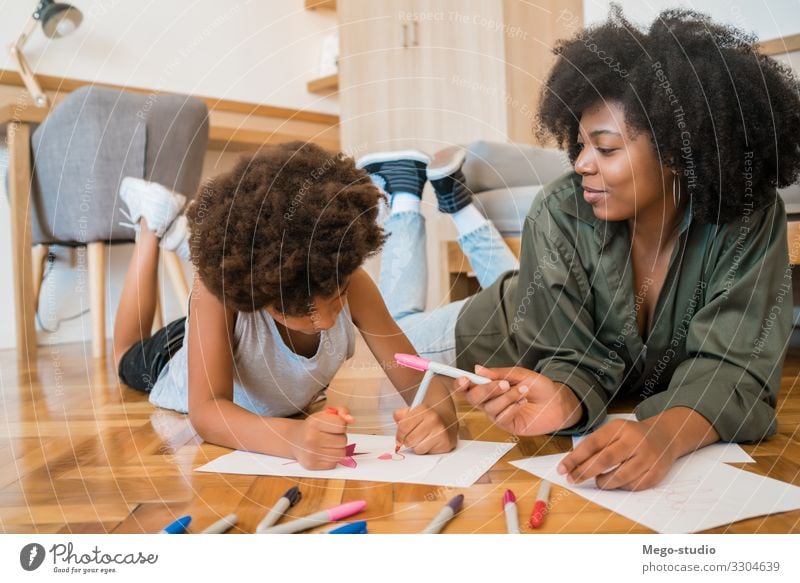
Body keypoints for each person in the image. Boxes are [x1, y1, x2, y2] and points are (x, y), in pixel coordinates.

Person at [363, 7, 800, 491]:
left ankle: (462, 210)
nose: (582, 164)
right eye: (581, 144)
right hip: (502, 326)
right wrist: (562, 396)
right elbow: (567, 355)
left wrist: (662, 434)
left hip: (546, 285)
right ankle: (405, 197)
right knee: (387, 334)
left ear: (679, 151)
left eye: (607, 149)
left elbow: (735, 366)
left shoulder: (748, 218)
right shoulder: (560, 207)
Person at [112, 142, 457, 470]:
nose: (324, 321)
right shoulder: (218, 294)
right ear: (257, 295)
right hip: (172, 359)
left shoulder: (354, 283)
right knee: (124, 355)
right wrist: (293, 439)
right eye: (300, 311)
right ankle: (149, 227)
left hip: (232, 337)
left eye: (336, 299)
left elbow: (426, 385)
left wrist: (439, 420)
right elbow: (207, 412)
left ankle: (177, 234)